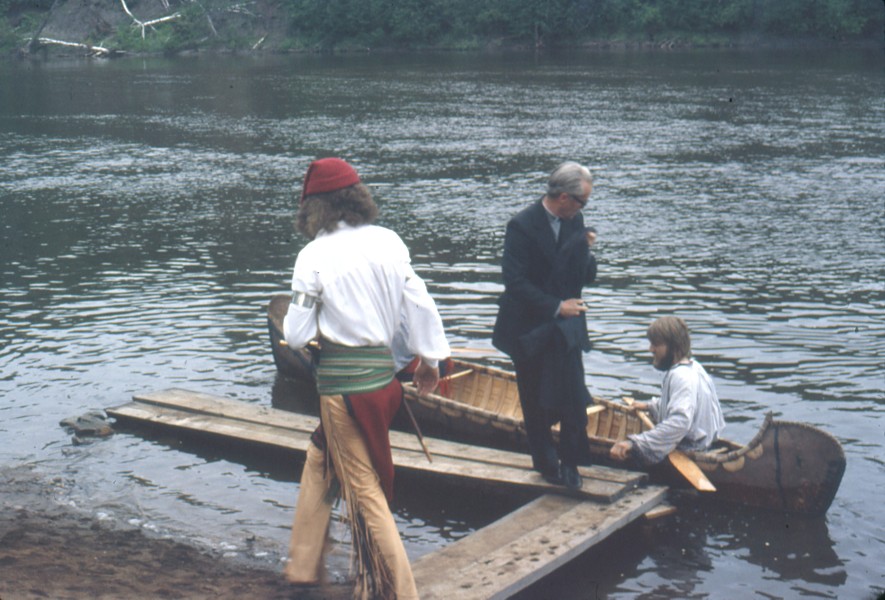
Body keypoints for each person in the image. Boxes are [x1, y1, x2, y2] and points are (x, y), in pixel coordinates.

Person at [281, 157, 450, 600]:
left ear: (313, 208)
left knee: (364, 491)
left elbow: (296, 334)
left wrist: (318, 314)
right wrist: (430, 362)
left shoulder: (313, 255)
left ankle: (401, 594)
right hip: (385, 385)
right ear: (358, 199)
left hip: (343, 390)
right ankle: (302, 566)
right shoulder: (389, 242)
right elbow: (421, 305)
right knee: (321, 456)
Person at [492, 161, 598, 491]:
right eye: (583, 202)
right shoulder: (522, 226)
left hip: (564, 329)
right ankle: (544, 459)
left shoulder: (574, 220)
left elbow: (584, 276)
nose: (584, 209)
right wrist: (556, 307)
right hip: (528, 326)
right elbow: (515, 283)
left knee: (571, 394)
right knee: (534, 396)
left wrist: (587, 252)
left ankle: (570, 462)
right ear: (564, 197)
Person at [610, 316, 726, 465]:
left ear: (673, 346)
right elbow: (683, 404)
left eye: (656, 344)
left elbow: (679, 422)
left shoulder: (680, 376)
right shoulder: (695, 367)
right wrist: (649, 406)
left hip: (692, 449)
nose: (651, 349)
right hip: (706, 444)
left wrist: (635, 444)